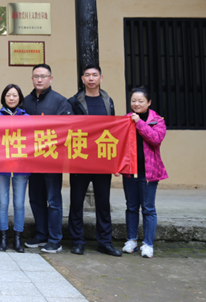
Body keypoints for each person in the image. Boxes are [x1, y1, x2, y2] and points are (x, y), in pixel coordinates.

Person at [68, 65, 121, 256]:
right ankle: (77, 241)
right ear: (82, 79)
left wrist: (115, 161)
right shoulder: (73, 102)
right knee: (76, 202)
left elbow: (113, 130)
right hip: (80, 158)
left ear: (101, 78)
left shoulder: (108, 101)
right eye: (87, 75)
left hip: (102, 159)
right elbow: (68, 129)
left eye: (94, 75)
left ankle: (105, 242)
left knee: (103, 202)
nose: (91, 78)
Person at [23, 64, 72, 253]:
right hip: (31, 159)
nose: (39, 79)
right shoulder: (25, 101)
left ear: (50, 79)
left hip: (52, 159)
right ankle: (41, 234)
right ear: (32, 79)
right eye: (36, 76)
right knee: (35, 198)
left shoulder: (60, 101)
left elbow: (67, 128)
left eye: (43, 76)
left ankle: (55, 239)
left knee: (53, 200)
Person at [121, 87, 167, 259]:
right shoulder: (125, 120)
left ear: (149, 103)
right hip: (130, 172)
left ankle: (148, 244)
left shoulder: (157, 120)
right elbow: (119, 144)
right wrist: (118, 166)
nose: (136, 104)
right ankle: (131, 240)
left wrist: (139, 122)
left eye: (141, 101)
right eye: (133, 100)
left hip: (149, 173)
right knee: (131, 207)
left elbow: (155, 139)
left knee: (148, 209)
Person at [0, 84, 30, 253]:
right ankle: (3, 238)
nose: (11, 98)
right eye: (8, 95)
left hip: (21, 167)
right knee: (3, 203)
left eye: (15, 95)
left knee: (19, 204)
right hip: (1, 166)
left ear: (20, 98)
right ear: (4, 98)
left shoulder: (27, 118)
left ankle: (18, 239)